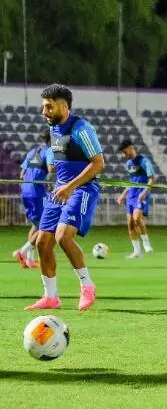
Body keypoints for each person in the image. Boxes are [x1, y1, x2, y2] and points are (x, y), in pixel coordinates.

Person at [25, 84, 104, 312]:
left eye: (48, 107)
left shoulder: (81, 128)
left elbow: (98, 164)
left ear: (64, 105)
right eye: (43, 107)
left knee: (62, 236)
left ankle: (87, 286)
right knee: (42, 242)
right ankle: (51, 297)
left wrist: (70, 186)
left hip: (82, 190)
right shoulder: (54, 130)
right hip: (60, 191)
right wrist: (62, 186)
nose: (44, 112)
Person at [12, 131, 52, 269]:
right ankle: (21, 252)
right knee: (45, 225)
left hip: (25, 190)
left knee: (36, 224)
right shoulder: (50, 152)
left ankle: (29, 260)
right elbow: (51, 169)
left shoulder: (34, 151)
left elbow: (22, 172)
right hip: (37, 192)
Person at [117, 139, 156, 259]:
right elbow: (132, 181)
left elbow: (152, 178)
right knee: (130, 224)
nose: (123, 155)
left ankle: (146, 243)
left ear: (130, 148)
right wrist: (123, 195)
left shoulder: (143, 160)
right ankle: (137, 251)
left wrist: (145, 192)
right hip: (131, 196)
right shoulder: (128, 164)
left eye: (124, 152)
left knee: (137, 218)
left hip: (141, 194)